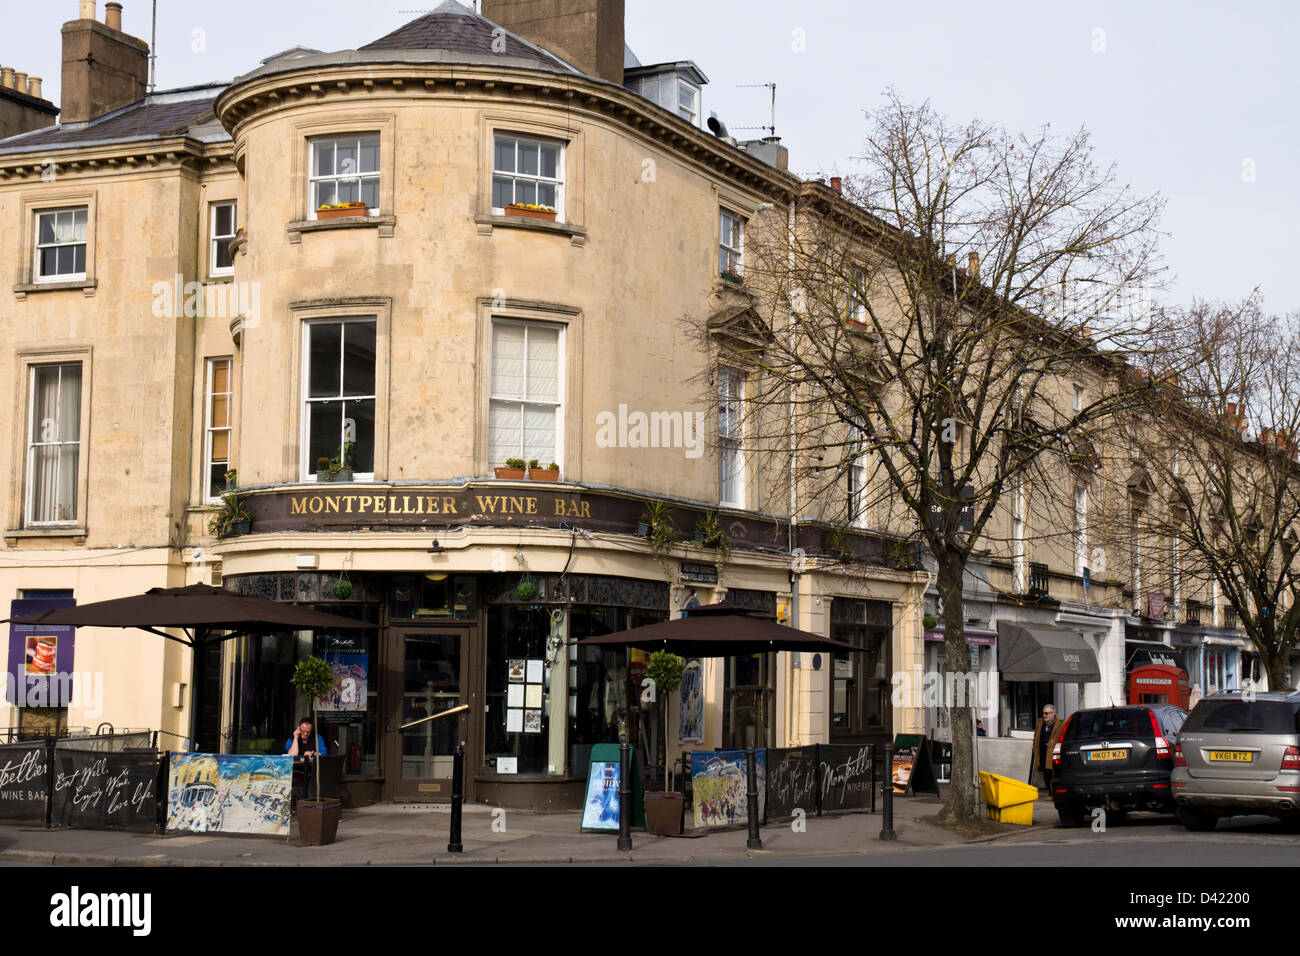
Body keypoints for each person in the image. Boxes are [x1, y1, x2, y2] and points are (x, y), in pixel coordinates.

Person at [1031, 704, 1066, 793]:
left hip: (1053, 752)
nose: (1044, 715)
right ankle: (1050, 792)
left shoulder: (1061, 724)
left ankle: (1053, 792)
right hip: (1042, 752)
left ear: (1053, 714)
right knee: (1045, 772)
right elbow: (1036, 737)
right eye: (1043, 713)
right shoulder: (1040, 723)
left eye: (1046, 713)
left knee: (1052, 773)